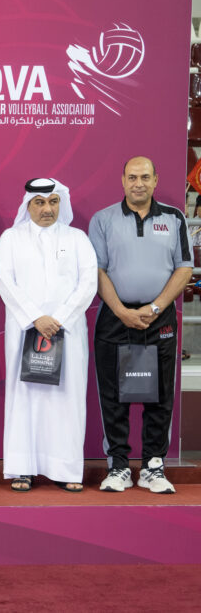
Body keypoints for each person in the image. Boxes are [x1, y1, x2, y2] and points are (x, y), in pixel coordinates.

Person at [88, 156, 191, 493]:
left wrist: (156, 307)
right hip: (114, 318)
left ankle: (152, 467)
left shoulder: (174, 218)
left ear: (156, 180)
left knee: (159, 396)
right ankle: (118, 466)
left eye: (145, 177)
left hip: (159, 318)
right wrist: (122, 311)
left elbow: (184, 268)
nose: (138, 184)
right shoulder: (103, 219)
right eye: (132, 177)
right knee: (113, 396)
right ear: (123, 180)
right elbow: (97, 270)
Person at [0, 179, 97, 492]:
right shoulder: (11, 238)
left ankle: (65, 469)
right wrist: (36, 317)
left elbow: (88, 282)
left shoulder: (77, 238)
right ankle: (22, 468)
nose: (47, 209)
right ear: (28, 205)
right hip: (26, 331)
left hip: (68, 331)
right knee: (25, 397)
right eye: (39, 202)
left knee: (67, 398)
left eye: (53, 202)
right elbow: (5, 281)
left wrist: (59, 318)